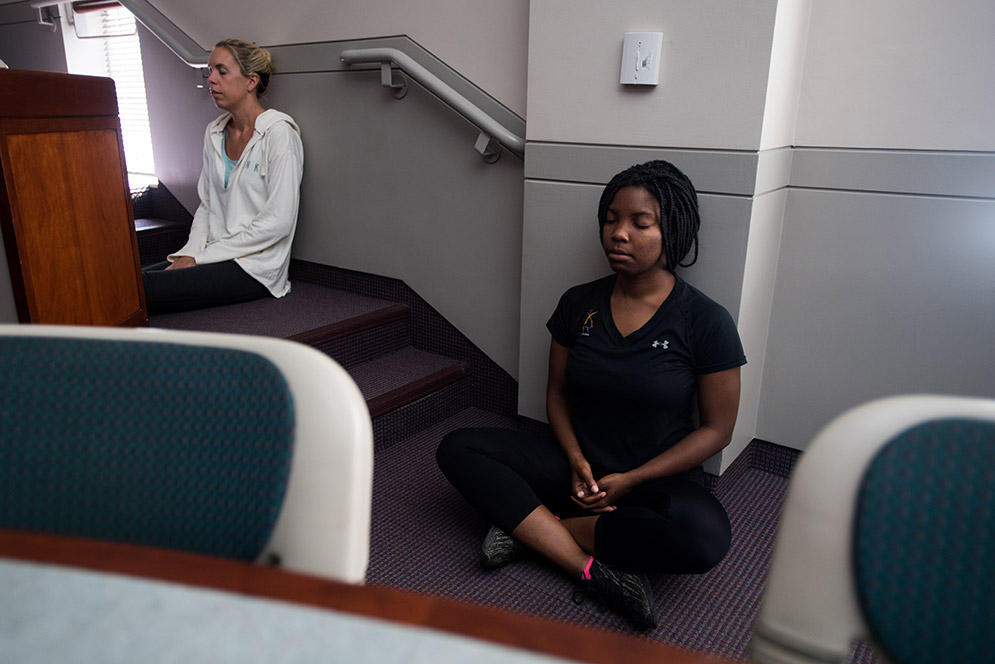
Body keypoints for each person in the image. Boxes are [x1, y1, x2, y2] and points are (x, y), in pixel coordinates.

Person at [436, 160, 745, 630]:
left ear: (674, 232)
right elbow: (556, 393)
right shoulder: (578, 302)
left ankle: (535, 530)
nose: (619, 234)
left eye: (641, 223)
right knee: (458, 447)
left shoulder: (706, 321)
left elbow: (718, 430)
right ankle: (588, 567)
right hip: (574, 468)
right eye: (611, 219)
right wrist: (577, 459)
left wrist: (632, 478)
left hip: (652, 481)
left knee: (704, 539)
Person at [142, 39, 304, 313]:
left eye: (221, 71)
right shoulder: (214, 132)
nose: (211, 80)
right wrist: (190, 253)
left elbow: (279, 222)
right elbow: (207, 207)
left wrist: (202, 258)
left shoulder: (279, 134)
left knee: (142, 290)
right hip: (215, 255)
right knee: (130, 283)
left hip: (255, 267)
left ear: (251, 81)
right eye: (210, 71)